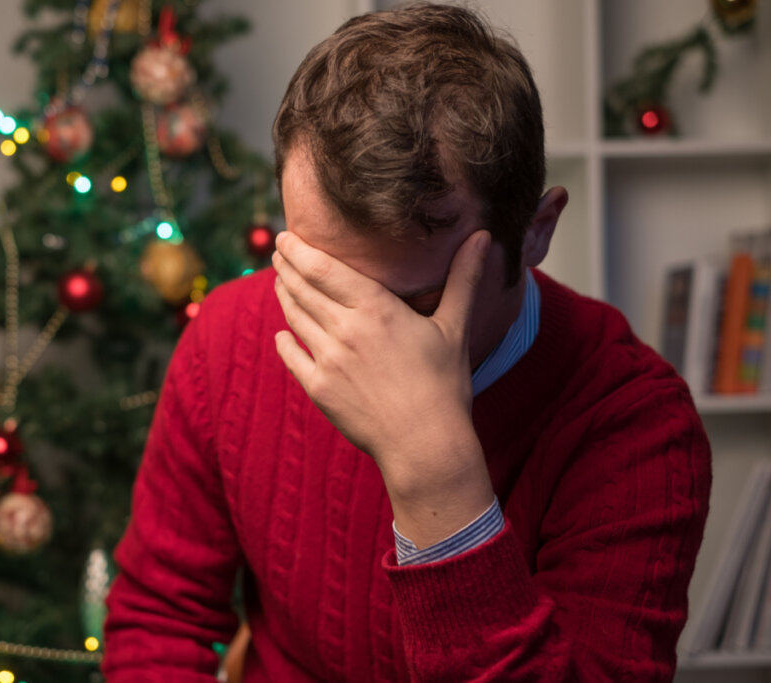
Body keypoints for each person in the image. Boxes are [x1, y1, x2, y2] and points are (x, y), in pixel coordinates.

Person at [102, 3, 712, 681]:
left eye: (410, 304)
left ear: (535, 231)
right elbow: (159, 621)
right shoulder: (230, 338)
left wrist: (438, 476)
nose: (357, 334)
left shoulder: (635, 421)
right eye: (321, 280)